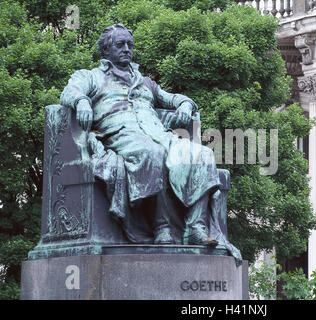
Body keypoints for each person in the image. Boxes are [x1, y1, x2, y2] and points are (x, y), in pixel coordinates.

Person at [60, 24, 222, 246]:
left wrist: (185, 104)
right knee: (152, 154)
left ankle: (196, 227)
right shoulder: (92, 76)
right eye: (120, 44)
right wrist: (80, 101)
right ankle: (162, 227)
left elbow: (173, 99)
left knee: (201, 154)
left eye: (130, 44)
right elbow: (70, 90)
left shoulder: (145, 82)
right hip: (121, 135)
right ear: (106, 50)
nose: (127, 49)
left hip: (158, 134)